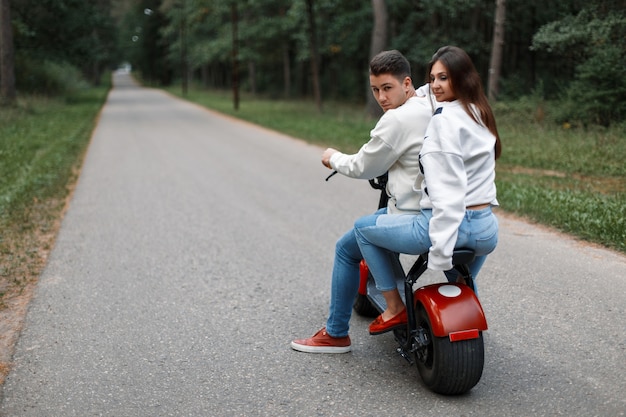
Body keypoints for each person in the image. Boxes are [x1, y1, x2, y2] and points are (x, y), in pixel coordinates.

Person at [291, 50, 433, 353]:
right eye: (375, 89)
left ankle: (336, 333)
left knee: (347, 248)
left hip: (409, 215)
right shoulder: (428, 102)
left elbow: (363, 166)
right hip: (438, 211)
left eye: (387, 88)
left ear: (406, 84)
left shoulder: (396, 119)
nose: (381, 97)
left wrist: (333, 158)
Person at [353, 45, 502, 335]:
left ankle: (395, 307)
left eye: (443, 78)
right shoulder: (478, 112)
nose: (435, 85)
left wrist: (441, 252)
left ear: (462, 79)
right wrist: (416, 90)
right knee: (461, 276)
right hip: (486, 230)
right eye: (433, 78)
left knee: (362, 230)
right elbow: (430, 93)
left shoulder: (441, 124)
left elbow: (446, 199)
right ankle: (465, 306)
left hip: (448, 225)